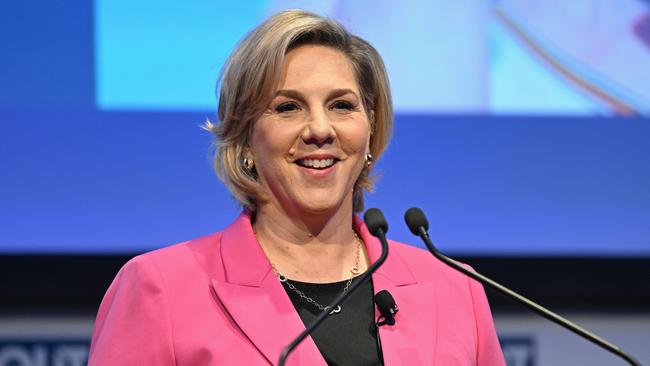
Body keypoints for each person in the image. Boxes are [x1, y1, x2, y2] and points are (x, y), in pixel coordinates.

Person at [88, 9, 505, 366]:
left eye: (342, 105)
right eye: (288, 107)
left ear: (370, 128)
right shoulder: (159, 288)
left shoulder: (456, 290)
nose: (320, 130)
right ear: (246, 137)